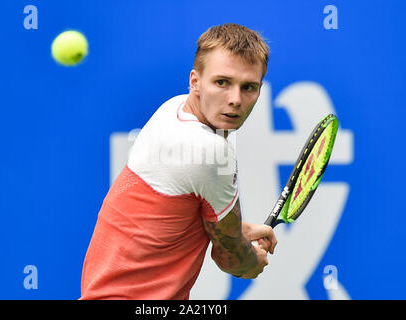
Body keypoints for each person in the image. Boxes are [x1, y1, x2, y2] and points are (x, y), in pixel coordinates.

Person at [80, 23, 277, 300]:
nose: (235, 100)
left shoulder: (173, 109)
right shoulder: (210, 151)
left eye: (249, 87)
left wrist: (237, 232)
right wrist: (252, 260)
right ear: (195, 81)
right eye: (222, 82)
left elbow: (177, 217)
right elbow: (230, 258)